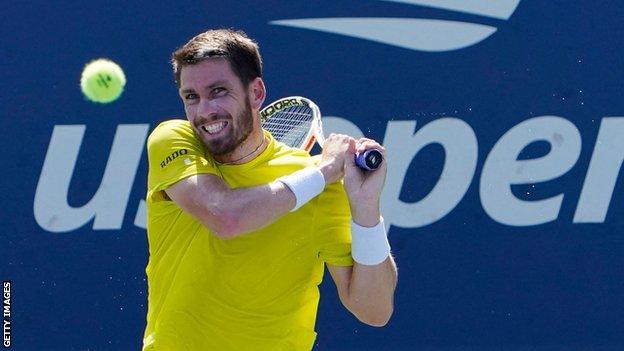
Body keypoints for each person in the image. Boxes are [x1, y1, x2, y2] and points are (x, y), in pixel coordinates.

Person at [143, 28, 397, 350]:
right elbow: (227, 217)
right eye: (191, 97)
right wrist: (321, 172)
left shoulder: (318, 183)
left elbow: (374, 310)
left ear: (256, 93)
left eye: (218, 91)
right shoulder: (172, 139)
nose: (204, 111)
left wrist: (365, 208)